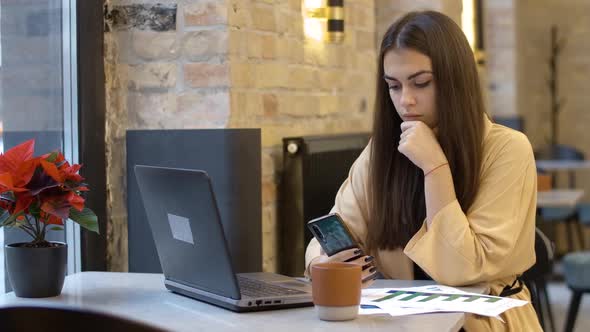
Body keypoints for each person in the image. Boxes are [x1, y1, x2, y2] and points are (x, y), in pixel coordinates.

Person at [304, 10, 542, 331]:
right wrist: (322, 261)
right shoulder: (383, 151)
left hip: (481, 323)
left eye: (421, 83)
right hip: (400, 321)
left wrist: (434, 166)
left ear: (456, 81)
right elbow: (336, 229)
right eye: (394, 86)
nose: (406, 101)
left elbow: (460, 268)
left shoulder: (507, 149)